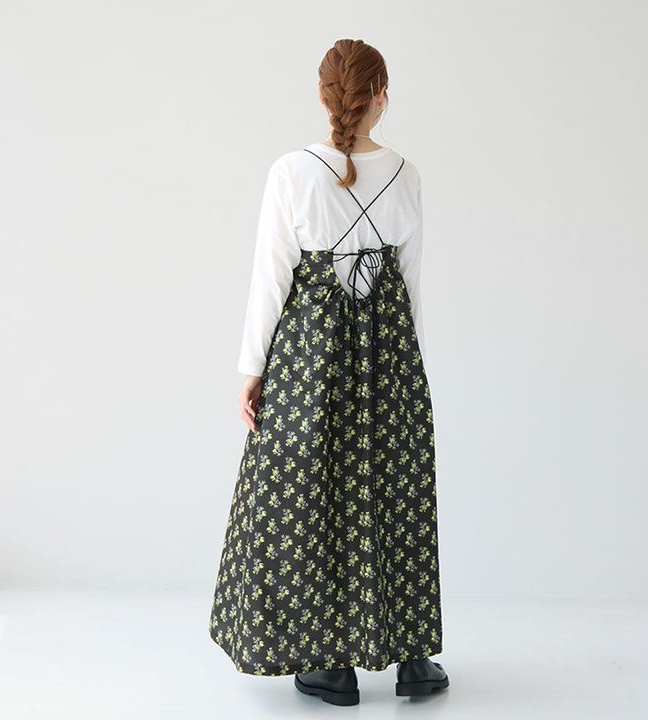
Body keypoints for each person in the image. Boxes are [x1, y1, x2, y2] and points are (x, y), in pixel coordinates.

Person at [208, 38, 448, 706]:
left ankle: (329, 664)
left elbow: (271, 276)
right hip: (389, 355)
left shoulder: (291, 171)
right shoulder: (406, 174)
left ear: (324, 96)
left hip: (310, 356)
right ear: (381, 96)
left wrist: (252, 367)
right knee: (393, 492)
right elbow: (410, 284)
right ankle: (412, 658)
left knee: (305, 494)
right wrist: (406, 370)